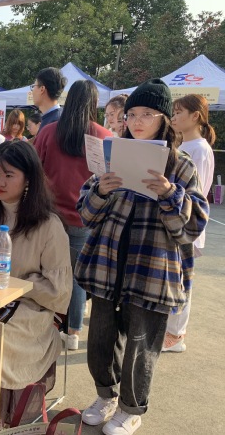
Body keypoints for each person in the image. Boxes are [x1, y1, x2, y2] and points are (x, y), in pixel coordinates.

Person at [76, 79, 209, 435]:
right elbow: (85, 213)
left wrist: (169, 193)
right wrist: (100, 190)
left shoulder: (179, 165)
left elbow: (193, 226)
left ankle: (131, 409)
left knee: (141, 344)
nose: (137, 121)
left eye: (147, 114)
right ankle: (105, 395)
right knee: (101, 338)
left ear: (163, 119)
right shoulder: (111, 156)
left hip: (152, 269)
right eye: (132, 113)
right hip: (108, 264)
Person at [0, 141, 72, 425]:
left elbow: (59, 290)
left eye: (9, 175)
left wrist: (20, 285)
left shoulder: (48, 225)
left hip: (31, 307)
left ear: (28, 179)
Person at [33, 80, 113, 350]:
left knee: (48, 271)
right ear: (94, 103)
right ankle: (73, 332)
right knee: (78, 277)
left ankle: (47, 322)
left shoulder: (48, 131)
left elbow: (34, 168)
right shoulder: (104, 136)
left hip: (49, 214)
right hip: (84, 218)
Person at [163, 93, 216, 353]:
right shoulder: (185, 145)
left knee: (183, 280)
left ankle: (176, 334)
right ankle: (171, 330)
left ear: (195, 116)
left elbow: (199, 193)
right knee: (175, 277)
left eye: (179, 112)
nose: (173, 117)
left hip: (188, 225)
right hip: (177, 222)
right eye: (173, 112)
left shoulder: (199, 149)